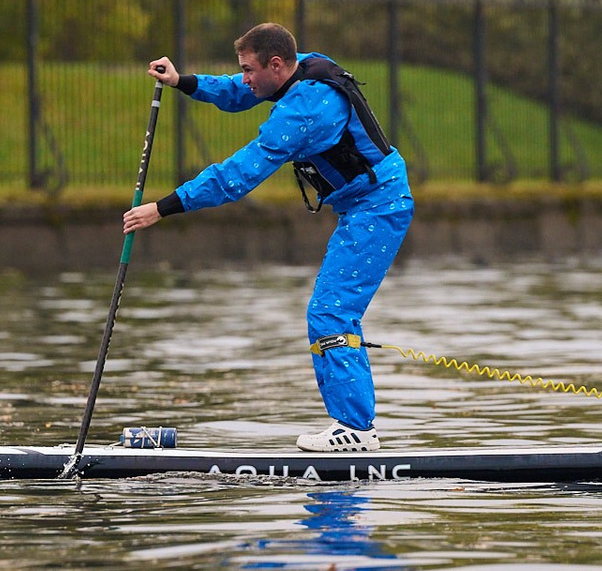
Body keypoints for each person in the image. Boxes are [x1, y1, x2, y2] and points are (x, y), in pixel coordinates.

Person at [123, 23, 414, 452]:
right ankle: (355, 425)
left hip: (379, 206)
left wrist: (163, 208)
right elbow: (238, 92)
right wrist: (183, 81)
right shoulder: (304, 66)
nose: (243, 78)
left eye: (248, 69)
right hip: (363, 204)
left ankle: (356, 429)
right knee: (330, 311)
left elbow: (237, 176)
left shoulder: (304, 113)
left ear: (276, 64)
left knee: (330, 312)